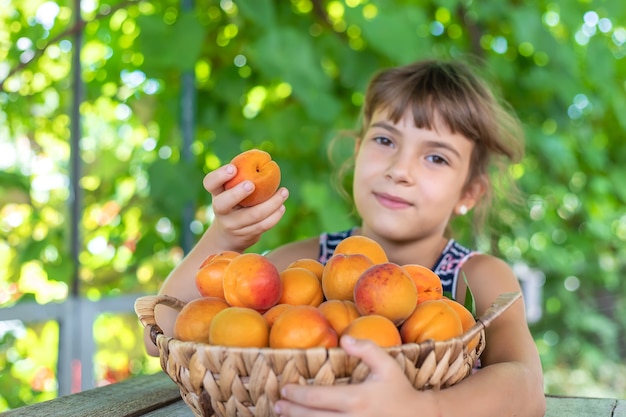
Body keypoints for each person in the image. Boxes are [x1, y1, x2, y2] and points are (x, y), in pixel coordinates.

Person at [144, 58, 546, 417]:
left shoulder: (476, 277)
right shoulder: (309, 262)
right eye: (385, 140)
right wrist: (224, 237)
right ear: (357, 152)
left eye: (436, 157)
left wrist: (426, 409)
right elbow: (165, 329)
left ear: (468, 193)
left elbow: (527, 388)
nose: (399, 169)